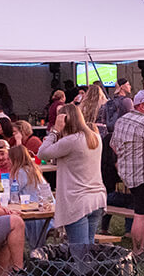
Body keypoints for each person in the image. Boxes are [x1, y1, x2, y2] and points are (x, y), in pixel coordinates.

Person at [37, 104, 108, 245]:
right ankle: (91, 268)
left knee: (79, 252)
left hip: (78, 201)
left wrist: (55, 131)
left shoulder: (71, 141)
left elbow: (42, 153)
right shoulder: (95, 138)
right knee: (88, 248)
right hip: (97, 198)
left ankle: (83, 268)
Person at [111, 90, 144, 257]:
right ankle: (138, 251)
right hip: (143, 175)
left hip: (126, 173)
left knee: (140, 209)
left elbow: (113, 145)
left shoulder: (121, 121)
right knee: (141, 215)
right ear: (141, 106)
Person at [8, 144, 53, 251]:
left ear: (14, 159)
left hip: (35, 213)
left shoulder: (20, 172)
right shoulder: (34, 170)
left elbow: (12, 194)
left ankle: (33, 252)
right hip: (47, 208)